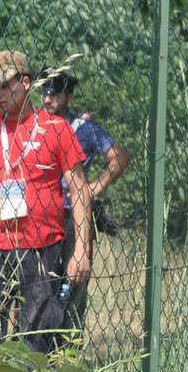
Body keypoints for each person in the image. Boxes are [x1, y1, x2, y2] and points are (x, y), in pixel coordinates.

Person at [0, 50, 90, 353]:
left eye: (4, 85)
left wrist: (81, 248)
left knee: (37, 336)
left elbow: (79, 189)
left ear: (25, 82)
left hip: (41, 248)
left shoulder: (56, 128)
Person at [39, 69, 129, 338]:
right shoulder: (34, 123)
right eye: (44, 91)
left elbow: (119, 157)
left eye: (54, 92)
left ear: (68, 95)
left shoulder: (84, 127)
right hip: (39, 213)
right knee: (36, 283)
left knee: (74, 284)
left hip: (71, 214)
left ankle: (69, 348)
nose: (47, 98)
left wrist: (94, 188)